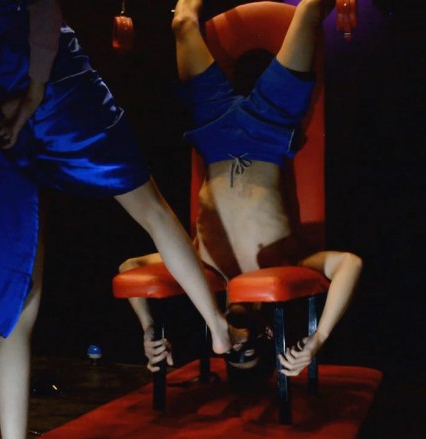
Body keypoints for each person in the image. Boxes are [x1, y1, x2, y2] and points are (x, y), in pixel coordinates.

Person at [0, 1, 231, 438]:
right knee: (149, 208)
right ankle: (217, 327)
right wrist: (33, 91)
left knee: (17, 295)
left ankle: (14, 435)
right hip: (53, 85)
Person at [120, 0, 362, 380]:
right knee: (309, 10)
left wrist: (148, 326)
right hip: (270, 129)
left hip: (213, 131)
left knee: (182, 22)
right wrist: (319, 338)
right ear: (267, 335)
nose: (234, 345)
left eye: (230, 354)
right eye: (246, 351)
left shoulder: (199, 270)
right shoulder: (287, 267)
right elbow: (350, 264)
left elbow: (130, 267)